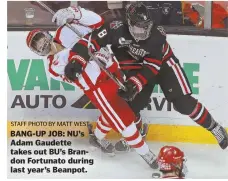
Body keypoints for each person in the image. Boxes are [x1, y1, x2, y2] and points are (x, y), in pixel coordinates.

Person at [25, 6, 158, 169]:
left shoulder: (66, 31)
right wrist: (86, 41)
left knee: (117, 112)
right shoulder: (53, 66)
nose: (43, 44)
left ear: (47, 34)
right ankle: (147, 154)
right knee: (123, 121)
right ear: (36, 52)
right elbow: (76, 61)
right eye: (37, 46)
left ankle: (97, 137)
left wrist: (75, 14)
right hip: (99, 88)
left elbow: (98, 22)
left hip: (113, 68)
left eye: (40, 39)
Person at [86, 2, 228, 151]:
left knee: (183, 103)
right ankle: (139, 129)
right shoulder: (116, 28)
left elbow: (152, 66)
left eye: (145, 27)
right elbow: (93, 41)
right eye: (138, 28)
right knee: (129, 105)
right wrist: (86, 56)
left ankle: (214, 127)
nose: (143, 32)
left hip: (164, 64)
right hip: (138, 66)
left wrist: (135, 84)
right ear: (128, 23)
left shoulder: (157, 34)